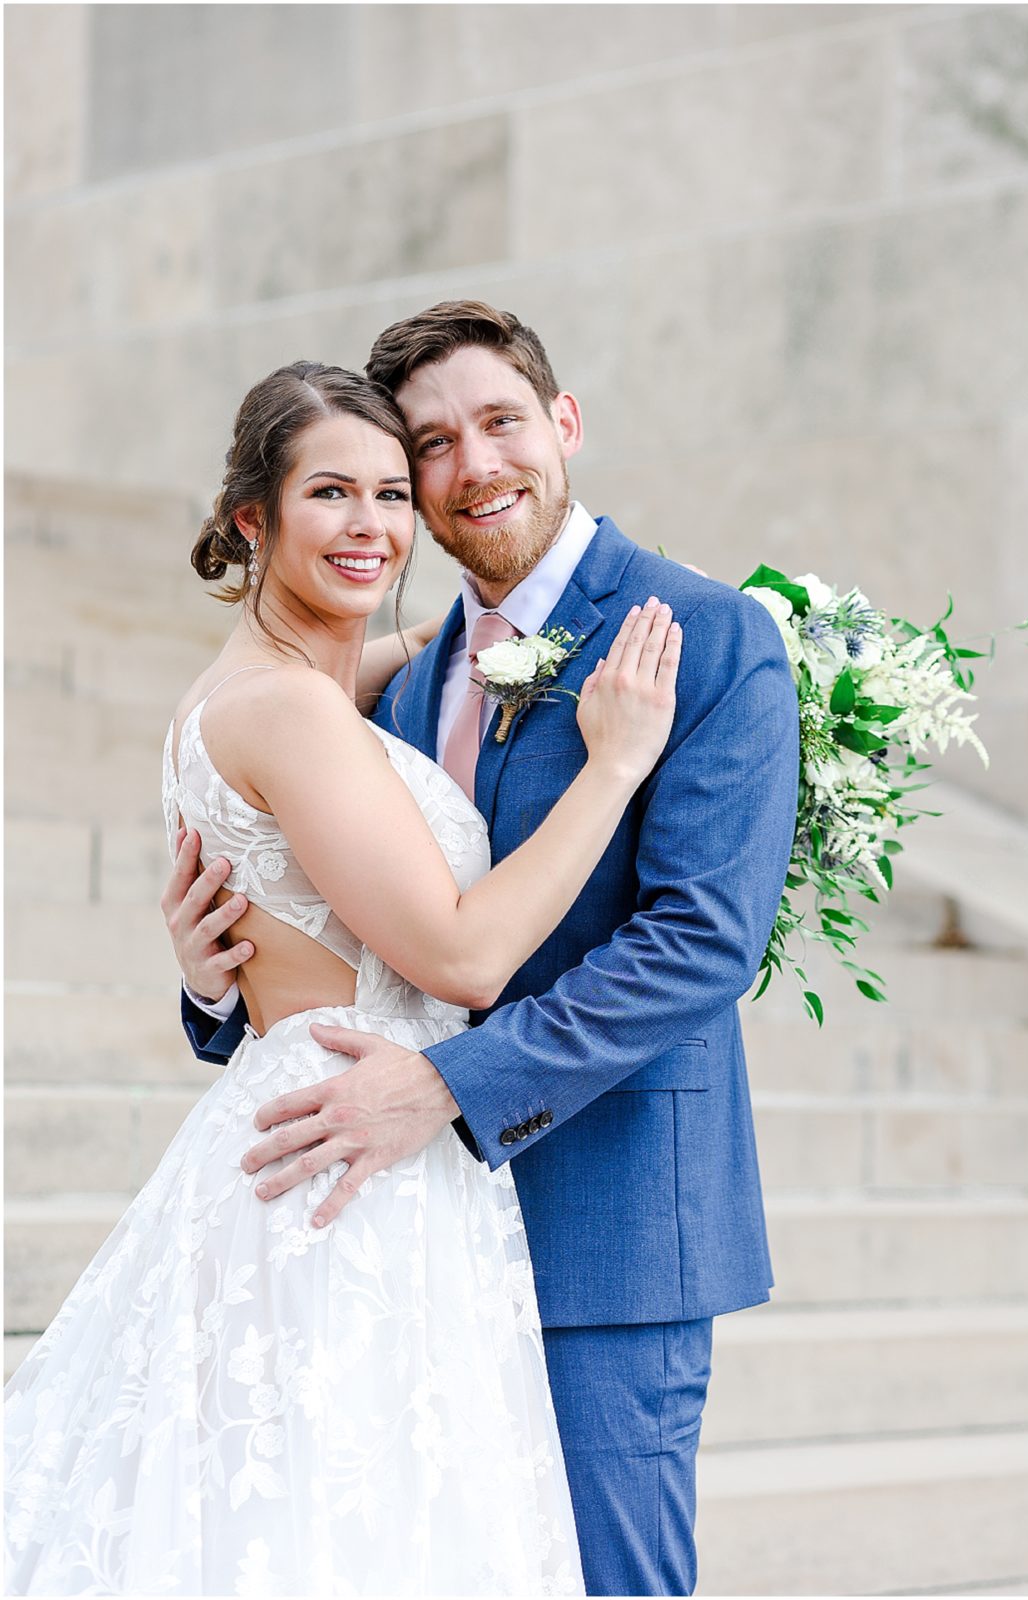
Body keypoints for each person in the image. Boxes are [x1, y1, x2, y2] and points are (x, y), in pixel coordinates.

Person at [4, 360, 684, 1597]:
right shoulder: (290, 711)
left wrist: (521, 605)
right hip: (350, 1163)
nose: (371, 525)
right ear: (251, 517)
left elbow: (402, 661)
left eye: (389, 491)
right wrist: (614, 765)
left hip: (334, 1132)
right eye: (329, 492)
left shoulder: (300, 688)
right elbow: (465, 955)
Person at [168, 304, 800, 1597]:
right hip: (401, 1234)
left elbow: (698, 945)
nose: (475, 467)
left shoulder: (707, 639)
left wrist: (452, 1087)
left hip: (604, 1226)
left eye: (500, 422)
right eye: (433, 447)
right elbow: (340, 917)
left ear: (563, 426)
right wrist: (212, 985)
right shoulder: (396, 682)